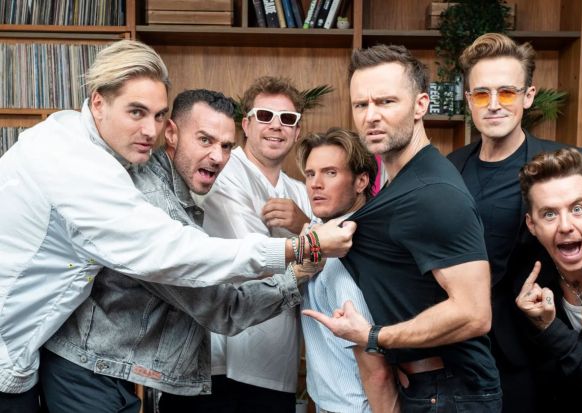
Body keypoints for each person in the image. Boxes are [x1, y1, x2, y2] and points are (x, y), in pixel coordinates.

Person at [0, 40, 354, 413]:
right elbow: (205, 282)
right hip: (62, 366)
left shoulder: (81, 138)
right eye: (136, 112)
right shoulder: (102, 179)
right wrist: (302, 252)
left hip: (48, 362)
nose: (148, 131)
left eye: (156, 115)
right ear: (99, 103)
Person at [40, 89, 318, 413]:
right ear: (171, 133)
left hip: (109, 367)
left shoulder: (178, 197)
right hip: (87, 370)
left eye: (226, 146)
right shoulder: (158, 206)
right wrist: (299, 265)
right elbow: (223, 307)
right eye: (205, 140)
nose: (217, 156)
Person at [303, 44, 501, 412]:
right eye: (361, 105)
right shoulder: (401, 183)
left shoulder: (434, 193)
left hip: (451, 393)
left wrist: (375, 336)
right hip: (425, 388)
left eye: (386, 102)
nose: (371, 116)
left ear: (421, 105)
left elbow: (474, 313)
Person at [447, 32, 582, 412]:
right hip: (461, 352)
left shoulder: (564, 163)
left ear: (527, 96)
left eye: (507, 93)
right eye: (482, 94)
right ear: (469, 100)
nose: (494, 105)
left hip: (541, 350)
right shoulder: (448, 169)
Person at [164, 76, 310, 412]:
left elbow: (326, 258)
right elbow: (257, 252)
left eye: (287, 119)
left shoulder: (301, 191)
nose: (276, 126)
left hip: (275, 361)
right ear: (245, 124)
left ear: (298, 131)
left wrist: (304, 225)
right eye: (264, 116)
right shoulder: (225, 171)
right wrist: (308, 244)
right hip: (215, 364)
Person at [298, 127, 398, 413]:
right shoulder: (320, 237)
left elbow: (375, 367)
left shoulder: (351, 253)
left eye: (330, 173)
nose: (316, 184)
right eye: (310, 174)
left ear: (361, 181)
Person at [516, 148, 582, 412]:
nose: (564, 226)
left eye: (576, 208)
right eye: (549, 214)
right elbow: (546, 380)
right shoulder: (531, 283)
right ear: (531, 225)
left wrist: (551, 329)